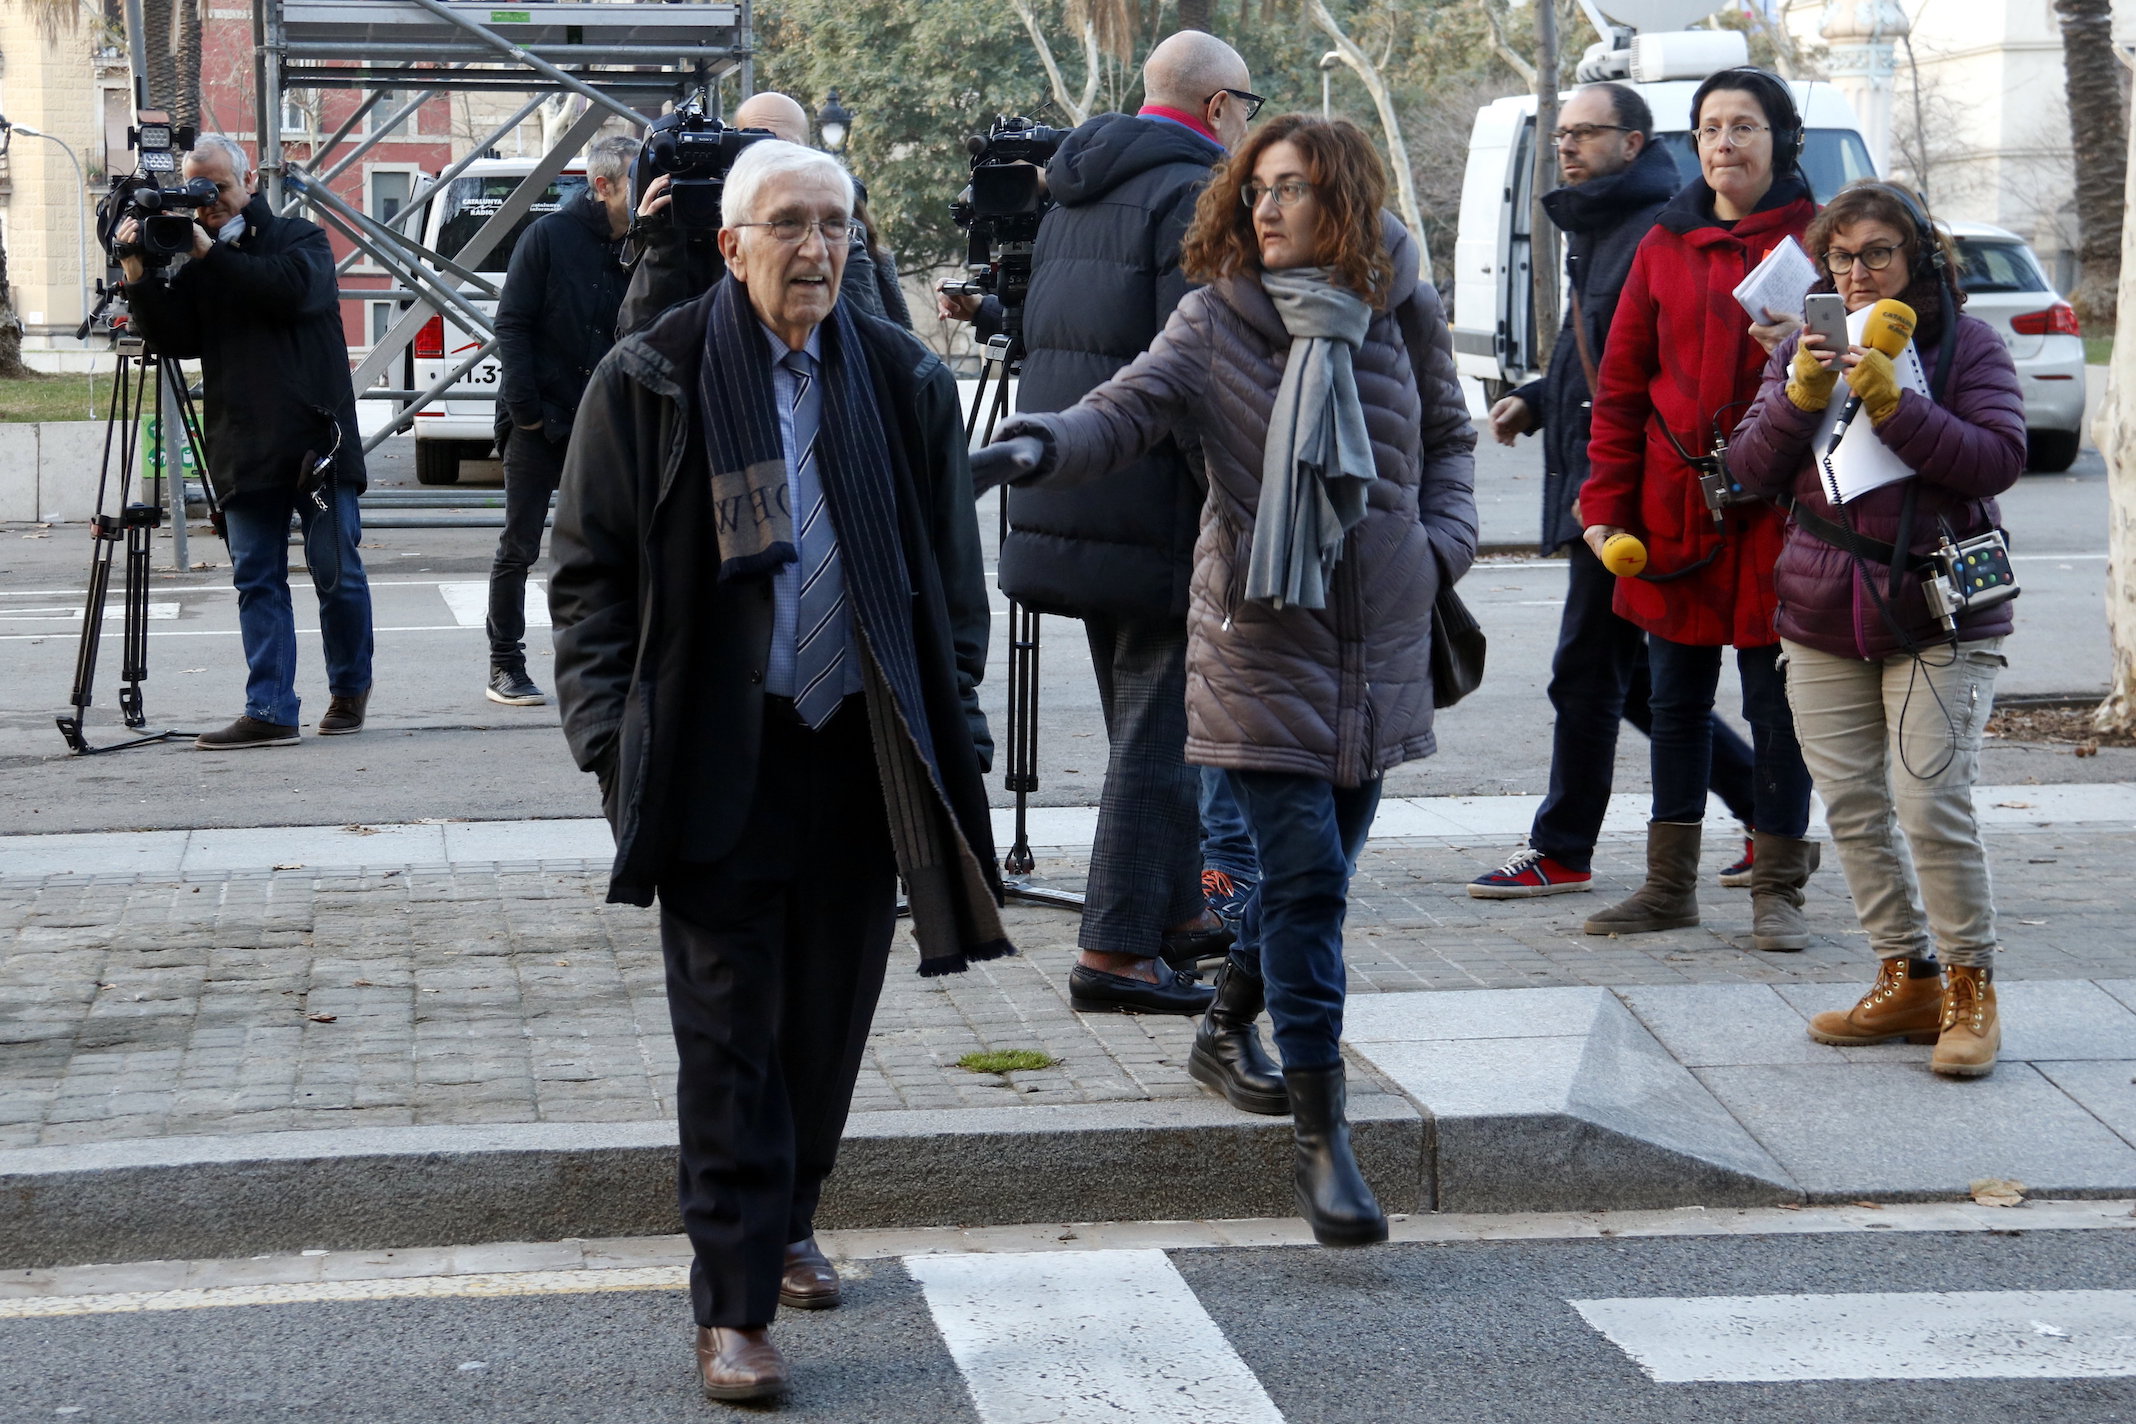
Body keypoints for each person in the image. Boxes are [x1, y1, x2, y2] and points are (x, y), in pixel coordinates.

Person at [548, 140, 1008, 1400]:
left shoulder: (905, 378)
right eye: (791, 226)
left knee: (823, 1026)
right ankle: (735, 1304)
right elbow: (585, 581)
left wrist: (951, 731)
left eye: (837, 227)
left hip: (860, 754)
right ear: (730, 244)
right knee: (730, 1040)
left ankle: (789, 1206)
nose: (817, 251)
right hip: (715, 752)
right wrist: (612, 743)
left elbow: (950, 595)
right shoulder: (650, 379)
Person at [973, 115, 1479, 1246]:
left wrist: (1435, 547)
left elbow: (1448, 438)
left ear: (1343, 201)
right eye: (1256, 189)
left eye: (1291, 189)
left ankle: (1223, 1028)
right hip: (1256, 639)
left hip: (1375, 646)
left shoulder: (1401, 305)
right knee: (1308, 887)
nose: (1266, 208)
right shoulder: (1212, 321)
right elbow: (1122, 412)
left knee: (1316, 880)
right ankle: (1323, 1137)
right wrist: (1028, 447)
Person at [941, 30, 1261, 1012]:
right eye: (1248, 102)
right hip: (1158, 505)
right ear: (1219, 105)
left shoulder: (1072, 186)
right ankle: (1118, 951)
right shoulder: (1197, 192)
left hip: (1074, 493)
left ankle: (1173, 917)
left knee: (1145, 720)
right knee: (1162, 738)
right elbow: (1203, 371)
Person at [1729, 179, 2024, 1076]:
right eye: (1842, 257)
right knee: (1855, 808)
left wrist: (1900, 403)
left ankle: (1972, 988)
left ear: (1917, 259)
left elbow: (1998, 460)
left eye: (1878, 253)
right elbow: (1746, 466)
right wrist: (1799, 389)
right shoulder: (1800, 350)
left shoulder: (1966, 345)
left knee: (1927, 801)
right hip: (1822, 608)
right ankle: (1907, 978)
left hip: (1941, 609)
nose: (1858, 273)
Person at [1470, 81, 1763, 900]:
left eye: (1584, 134)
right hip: (1601, 484)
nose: (1564, 147)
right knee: (1626, 679)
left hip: (1626, 496)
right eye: (1561, 135)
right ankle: (1764, 811)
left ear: (1633, 144)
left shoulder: (1652, 230)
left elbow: (1656, 377)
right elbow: (1596, 348)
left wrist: (1607, 491)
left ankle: (1563, 847)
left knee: (1588, 673)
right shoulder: (1603, 225)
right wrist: (1535, 396)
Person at [1577, 67, 1820, 951]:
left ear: (1781, 138)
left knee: (1774, 706)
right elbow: (1621, 389)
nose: (1725, 143)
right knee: (1674, 702)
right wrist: (1605, 505)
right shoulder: (1662, 244)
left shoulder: (1820, 242)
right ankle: (1668, 887)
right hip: (1672, 511)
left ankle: (1779, 891)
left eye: (1745, 126)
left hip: (1781, 515)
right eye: (1711, 128)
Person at [118, 133, 374, 748]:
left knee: (334, 573)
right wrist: (138, 276)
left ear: (250, 183)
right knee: (257, 578)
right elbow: (175, 339)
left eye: (221, 191)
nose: (211, 206)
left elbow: (289, 293)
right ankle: (271, 708)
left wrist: (210, 254)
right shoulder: (197, 259)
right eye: (199, 196)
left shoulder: (300, 239)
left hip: (317, 446)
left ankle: (349, 687)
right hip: (244, 445)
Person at [484, 134, 635, 707]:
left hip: (603, 424)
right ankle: (504, 664)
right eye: (633, 185)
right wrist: (525, 415)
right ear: (603, 186)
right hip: (539, 420)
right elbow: (513, 324)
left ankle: (603, 661)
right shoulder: (547, 237)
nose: (646, 195)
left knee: (606, 544)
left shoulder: (645, 246)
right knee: (518, 546)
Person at [617, 91, 910, 336]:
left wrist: (836, 237)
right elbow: (640, 345)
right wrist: (662, 243)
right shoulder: (691, 227)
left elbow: (874, 351)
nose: (771, 163)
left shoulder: (842, 234)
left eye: (781, 149)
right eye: (754, 147)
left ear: (807, 154)